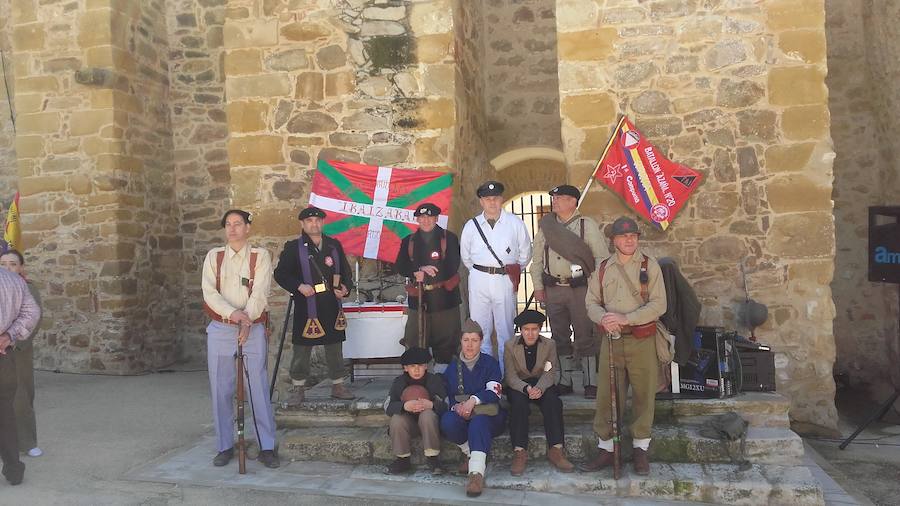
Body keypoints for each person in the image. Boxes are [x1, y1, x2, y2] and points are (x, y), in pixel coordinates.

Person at [581, 216, 666, 476]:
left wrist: (627, 318)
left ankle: (640, 449)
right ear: (614, 240)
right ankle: (607, 449)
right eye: (623, 236)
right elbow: (591, 302)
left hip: (642, 338)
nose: (629, 240)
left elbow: (659, 304)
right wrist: (604, 319)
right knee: (607, 395)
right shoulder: (603, 268)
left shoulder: (649, 266)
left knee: (643, 394)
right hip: (611, 339)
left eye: (633, 236)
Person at [201, 209, 279, 469]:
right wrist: (235, 315)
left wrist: (247, 320)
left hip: (253, 329)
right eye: (228, 224)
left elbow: (260, 293)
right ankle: (224, 445)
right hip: (221, 328)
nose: (232, 228)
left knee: (257, 387)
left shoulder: (259, 256)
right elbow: (209, 293)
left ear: (247, 228)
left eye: (238, 224)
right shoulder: (214, 256)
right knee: (221, 388)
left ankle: (266, 446)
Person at [530, 184, 605, 399]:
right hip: (553, 289)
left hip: (580, 289)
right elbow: (537, 261)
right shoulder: (547, 227)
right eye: (554, 198)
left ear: (573, 201)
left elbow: (600, 259)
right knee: (559, 335)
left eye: (559, 198)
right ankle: (565, 380)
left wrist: (596, 289)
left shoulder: (586, 225)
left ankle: (590, 382)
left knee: (584, 335)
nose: (554, 201)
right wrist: (538, 288)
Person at [274, 206, 354, 403]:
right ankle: (298, 387)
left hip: (331, 303)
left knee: (334, 345)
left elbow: (346, 273)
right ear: (302, 224)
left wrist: (345, 288)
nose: (314, 224)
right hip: (306, 304)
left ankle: (338, 385)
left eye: (318, 220)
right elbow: (281, 274)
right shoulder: (294, 247)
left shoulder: (334, 245)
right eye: (309, 221)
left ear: (323, 222)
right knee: (302, 348)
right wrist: (299, 286)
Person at [460, 181, 532, 375]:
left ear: (501, 199)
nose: (492, 202)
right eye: (487, 199)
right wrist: (481, 271)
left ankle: (507, 375)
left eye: (495, 198)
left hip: (504, 279)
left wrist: (510, 271)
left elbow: (525, 253)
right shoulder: (471, 226)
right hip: (479, 279)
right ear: (481, 202)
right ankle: (483, 375)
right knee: (479, 329)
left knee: (506, 330)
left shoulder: (515, 223)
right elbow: (466, 257)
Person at [439, 319, 506, 497]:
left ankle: (476, 475)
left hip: (488, 415)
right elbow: (448, 395)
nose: (469, 345)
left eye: (474, 340)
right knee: (447, 421)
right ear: (460, 341)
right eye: (466, 340)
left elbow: (494, 392)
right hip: (462, 414)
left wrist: (473, 401)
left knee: (479, 423)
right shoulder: (452, 367)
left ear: (481, 341)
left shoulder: (490, 363)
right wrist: (456, 407)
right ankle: (473, 455)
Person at [503, 309, 574, 475]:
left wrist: (540, 388)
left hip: (541, 382)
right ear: (521, 330)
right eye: (526, 329)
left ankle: (556, 450)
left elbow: (549, 372)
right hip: (520, 385)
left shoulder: (549, 345)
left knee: (553, 402)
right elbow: (510, 376)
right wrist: (526, 388)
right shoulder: (510, 346)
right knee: (518, 404)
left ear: (540, 329)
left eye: (534, 329)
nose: (530, 333)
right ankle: (520, 452)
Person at [395, 203, 462, 373]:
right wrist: (418, 269)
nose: (426, 220)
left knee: (446, 342)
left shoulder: (449, 238)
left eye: (430, 217)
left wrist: (426, 274)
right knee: (415, 340)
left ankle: (443, 378)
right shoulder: (409, 241)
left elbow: (452, 265)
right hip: (418, 298)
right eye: (422, 217)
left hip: (444, 299)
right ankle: (419, 377)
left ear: (437, 218)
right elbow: (401, 266)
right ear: (417, 219)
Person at [0, 265, 41, 485]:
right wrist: (9, 335)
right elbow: (32, 313)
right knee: (4, 412)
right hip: (2, 354)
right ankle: (14, 469)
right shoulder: (13, 280)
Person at [383, 347, 448, 475]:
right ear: (405, 368)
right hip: (409, 425)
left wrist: (432, 405)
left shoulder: (434, 381)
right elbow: (387, 407)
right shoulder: (399, 382)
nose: (417, 370)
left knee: (427, 415)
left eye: (420, 366)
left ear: (426, 366)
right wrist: (404, 406)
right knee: (397, 419)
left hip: (430, 426)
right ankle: (402, 459)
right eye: (412, 366)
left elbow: (447, 405)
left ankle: (433, 458)